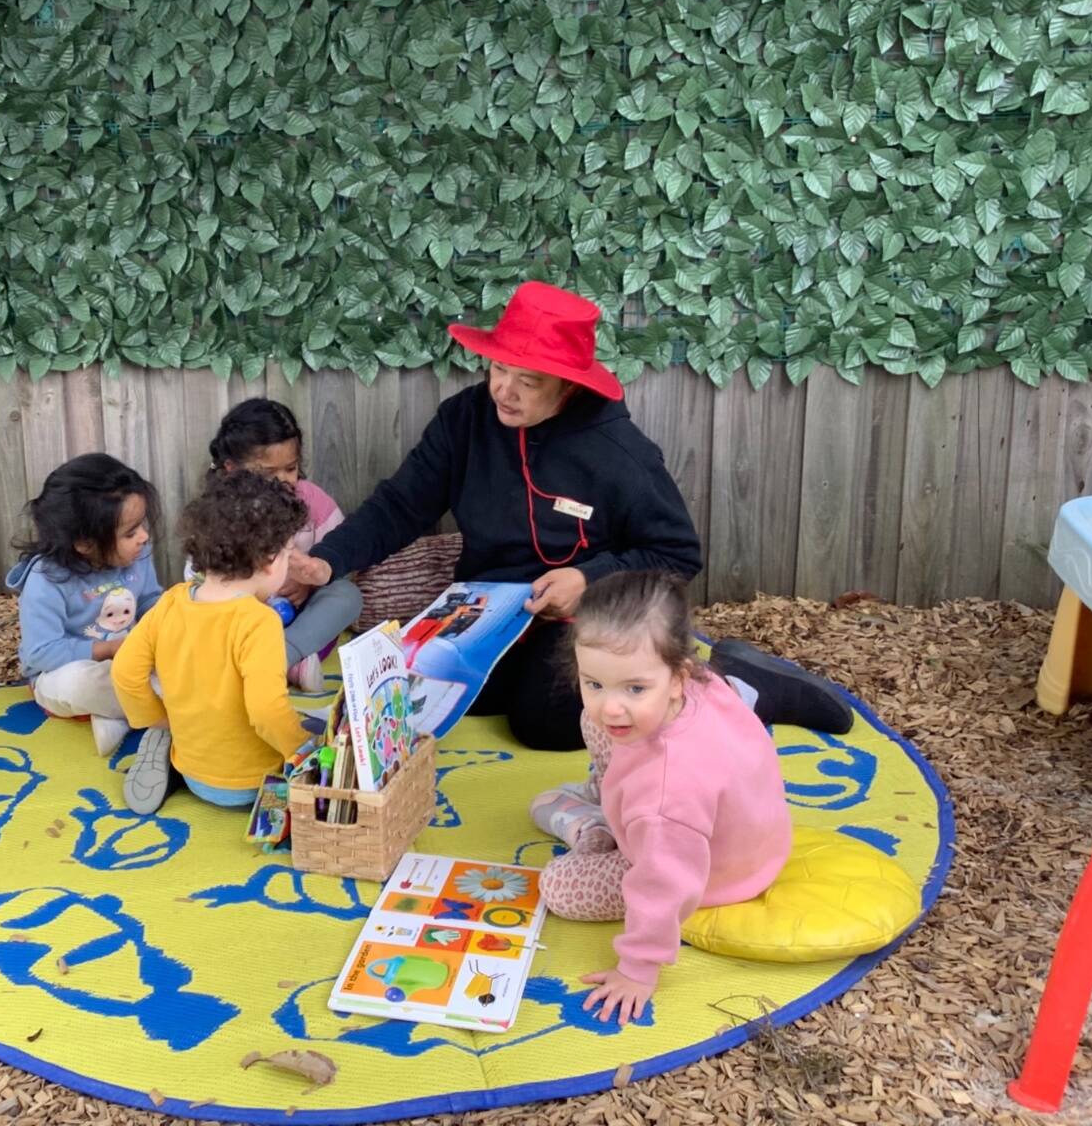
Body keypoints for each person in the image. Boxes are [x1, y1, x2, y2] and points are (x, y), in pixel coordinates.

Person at [287, 280, 854, 749]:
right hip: (491, 611)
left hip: (588, 614)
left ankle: (738, 684)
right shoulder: (464, 420)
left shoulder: (617, 450)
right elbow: (400, 504)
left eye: (528, 381)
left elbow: (676, 554)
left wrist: (589, 580)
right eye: (498, 369)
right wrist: (327, 561)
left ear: (567, 386)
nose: (504, 391)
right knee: (436, 694)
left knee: (545, 723)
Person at [533, 570, 792, 1023]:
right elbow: (618, 704)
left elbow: (664, 886)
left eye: (635, 688)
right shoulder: (697, 682)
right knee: (594, 721)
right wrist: (631, 698)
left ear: (677, 676)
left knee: (557, 887)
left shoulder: (667, 795)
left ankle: (597, 828)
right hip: (748, 831)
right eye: (593, 683)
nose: (611, 705)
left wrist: (637, 970)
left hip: (713, 870)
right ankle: (612, 805)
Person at [112, 469, 319, 814]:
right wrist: (303, 748)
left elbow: (124, 672)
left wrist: (158, 718)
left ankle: (167, 751)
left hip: (194, 772)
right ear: (270, 561)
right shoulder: (259, 622)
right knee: (314, 731)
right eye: (288, 553)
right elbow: (266, 710)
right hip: (253, 783)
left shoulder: (170, 603)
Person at [198, 398, 362, 693]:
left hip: (299, 622)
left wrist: (308, 584)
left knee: (347, 595)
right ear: (231, 468)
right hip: (242, 621)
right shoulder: (221, 510)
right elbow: (200, 579)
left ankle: (283, 657)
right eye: (267, 473)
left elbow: (342, 562)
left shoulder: (314, 502)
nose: (283, 481)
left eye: (290, 468)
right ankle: (272, 663)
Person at [5, 454, 163, 757]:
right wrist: (109, 649)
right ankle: (161, 714)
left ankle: (119, 717)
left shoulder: (137, 553)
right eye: (130, 532)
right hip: (63, 673)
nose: (143, 537)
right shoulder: (46, 580)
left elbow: (149, 602)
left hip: (131, 661)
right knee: (79, 684)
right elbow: (41, 653)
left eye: (142, 525)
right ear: (84, 543)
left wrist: (168, 626)